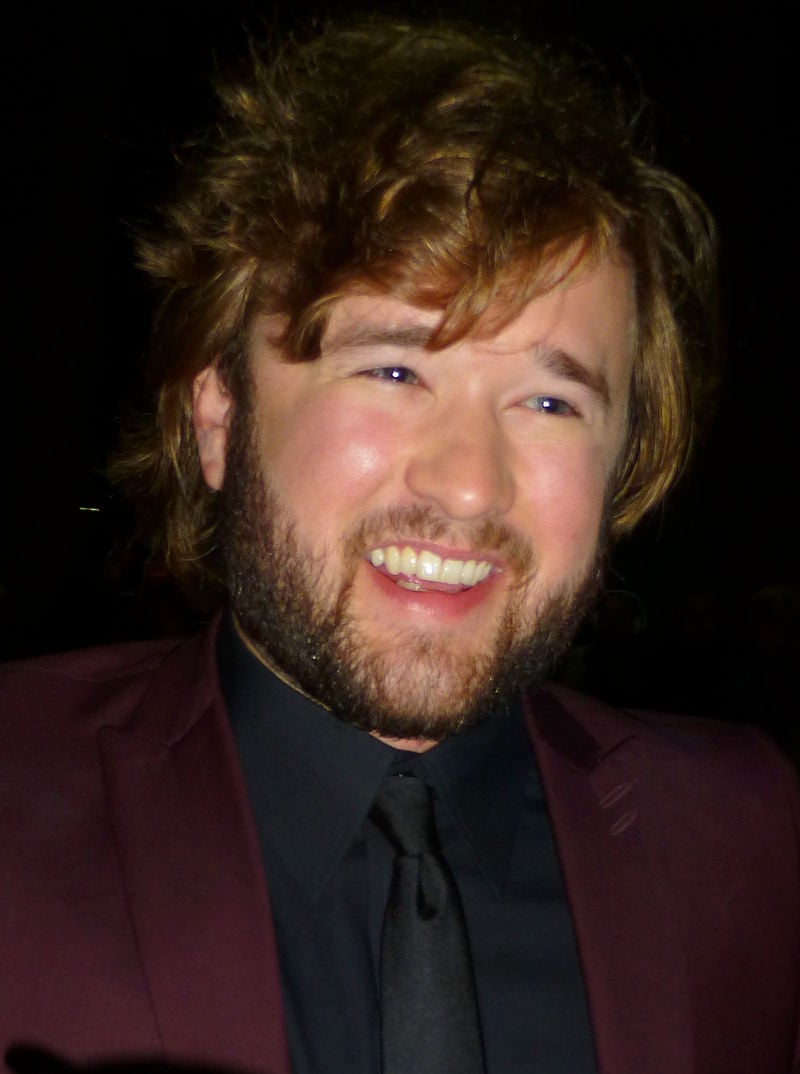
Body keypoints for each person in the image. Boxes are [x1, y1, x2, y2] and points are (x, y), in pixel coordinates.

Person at [1, 16, 798, 1074]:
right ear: (219, 417)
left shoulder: (746, 838)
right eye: (393, 371)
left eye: (550, 402)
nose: (468, 483)